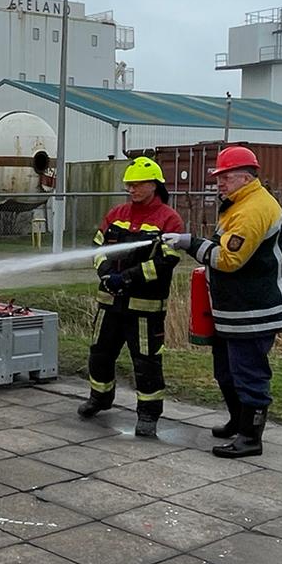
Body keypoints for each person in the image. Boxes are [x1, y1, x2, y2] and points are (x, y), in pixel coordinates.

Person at [164, 145, 282, 458]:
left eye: (225, 177)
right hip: (235, 310)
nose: (219, 183)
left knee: (249, 373)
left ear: (245, 177)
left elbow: (229, 259)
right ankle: (238, 421)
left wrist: (190, 243)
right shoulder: (239, 204)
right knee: (226, 371)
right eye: (219, 177)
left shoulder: (254, 209)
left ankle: (250, 438)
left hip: (255, 310)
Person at [77, 156, 183, 438]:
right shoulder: (117, 214)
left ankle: (148, 414)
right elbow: (97, 248)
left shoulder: (169, 219)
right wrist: (106, 274)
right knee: (99, 354)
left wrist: (126, 278)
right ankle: (100, 397)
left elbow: (166, 261)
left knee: (146, 362)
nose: (131, 189)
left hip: (144, 309)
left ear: (154, 185)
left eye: (137, 184)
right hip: (109, 304)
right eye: (129, 184)